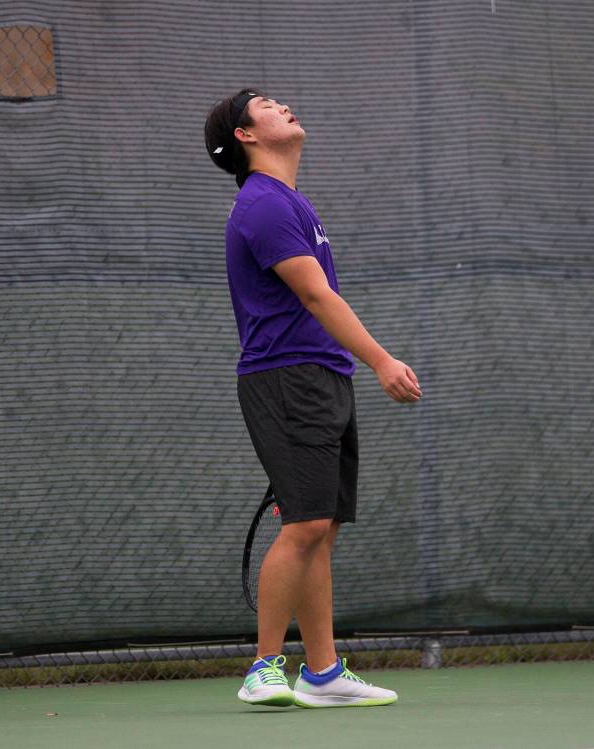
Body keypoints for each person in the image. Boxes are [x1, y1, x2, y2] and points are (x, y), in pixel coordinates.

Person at [204, 88, 421, 708]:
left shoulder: (291, 202)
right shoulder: (263, 205)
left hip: (322, 374)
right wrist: (380, 360)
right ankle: (263, 668)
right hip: (286, 378)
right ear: (245, 135)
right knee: (304, 525)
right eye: (267, 106)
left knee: (321, 529)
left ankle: (321, 673)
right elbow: (317, 297)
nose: (284, 107)